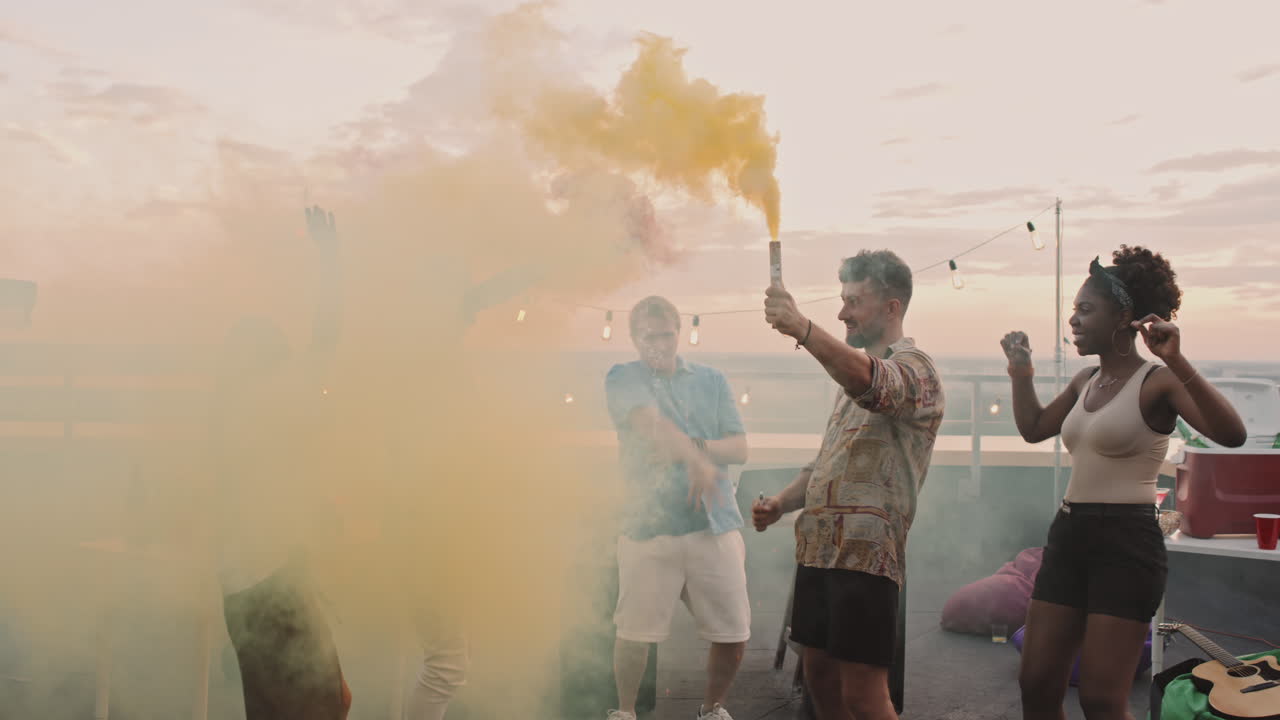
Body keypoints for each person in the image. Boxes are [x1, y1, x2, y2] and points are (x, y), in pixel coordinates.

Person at [1001, 246, 1246, 720]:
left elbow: (1231, 434)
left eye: (1085, 309)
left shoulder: (1158, 381)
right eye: (1074, 308)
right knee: (1036, 683)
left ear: (1124, 316)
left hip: (1126, 544)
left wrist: (1177, 359)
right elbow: (1033, 429)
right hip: (1069, 535)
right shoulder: (1085, 381)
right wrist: (1021, 373)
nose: (1072, 320)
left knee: (1100, 698)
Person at [754, 250, 944, 720]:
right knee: (818, 678)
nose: (842, 313)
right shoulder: (849, 381)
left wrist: (802, 327)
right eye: (841, 300)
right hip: (819, 552)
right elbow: (827, 463)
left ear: (892, 307)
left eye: (854, 301)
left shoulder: (917, 369)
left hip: (866, 559)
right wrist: (781, 503)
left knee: (864, 696)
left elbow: (874, 383)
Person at [212, 206, 351, 720]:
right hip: (270, 582)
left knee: (280, 707)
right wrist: (332, 259)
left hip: (247, 583)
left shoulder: (228, 412)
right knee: (321, 705)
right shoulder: (268, 401)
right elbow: (326, 336)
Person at [604, 295, 750, 720]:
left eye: (667, 334)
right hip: (647, 526)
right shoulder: (621, 377)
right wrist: (694, 460)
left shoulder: (713, 380)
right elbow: (648, 425)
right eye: (650, 336)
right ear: (634, 338)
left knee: (734, 633)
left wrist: (700, 450)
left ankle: (711, 709)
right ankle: (626, 713)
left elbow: (740, 448)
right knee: (634, 632)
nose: (660, 344)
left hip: (714, 523)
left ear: (678, 333)